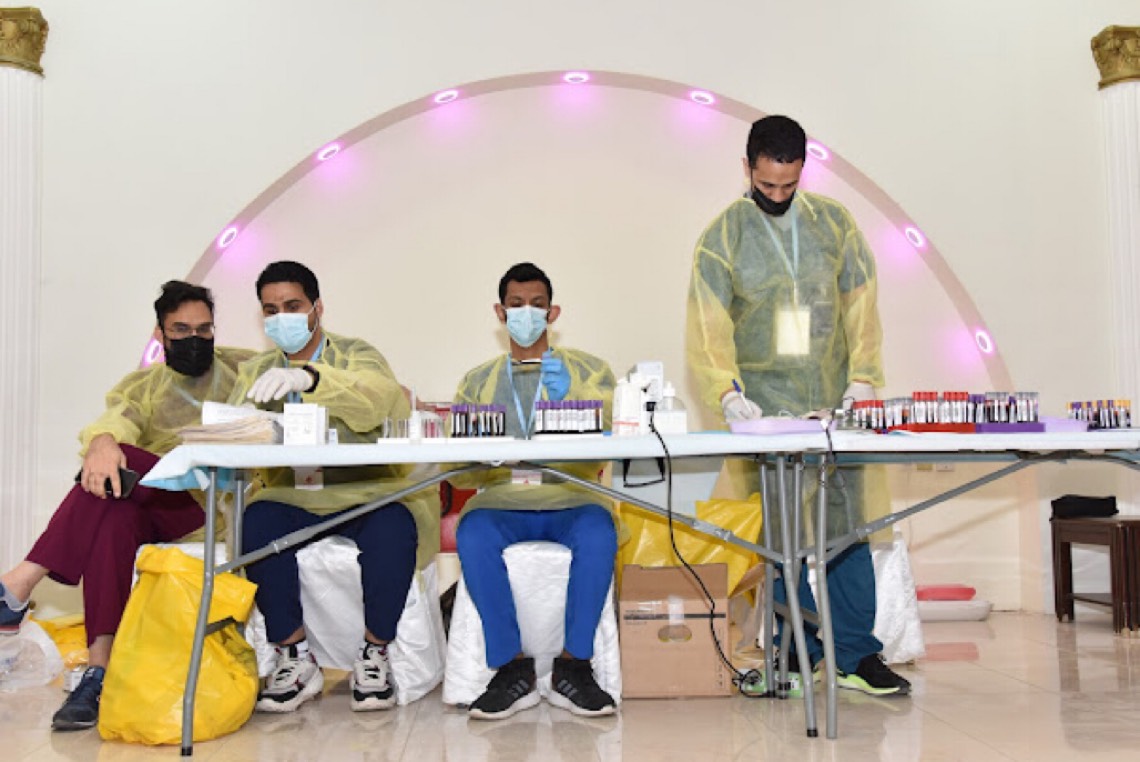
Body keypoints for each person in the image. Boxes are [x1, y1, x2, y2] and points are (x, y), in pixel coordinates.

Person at [686, 115, 910, 696]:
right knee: (781, 540)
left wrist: (863, 379)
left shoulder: (834, 223)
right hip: (765, 415)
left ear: (802, 170)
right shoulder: (722, 237)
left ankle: (856, 655)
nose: (778, 194)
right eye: (767, 184)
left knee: (847, 533)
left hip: (835, 408)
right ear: (747, 168)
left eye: (789, 184)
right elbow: (708, 327)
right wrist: (727, 392)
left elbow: (862, 306)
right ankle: (795, 650)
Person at [0, 281, 253, 730]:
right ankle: (99, 673)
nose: (194, 339)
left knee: (124, 461)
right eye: (181, 330)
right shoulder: (142, 387)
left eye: (204, 329)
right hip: (158, 508)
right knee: (113, 515)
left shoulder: (245, 369)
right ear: (160, 334)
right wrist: (102, 441)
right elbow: (115, 420)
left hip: (212, 505)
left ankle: (18, 584)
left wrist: (107, 447)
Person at [232, 260, 438, 714]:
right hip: (292, 494)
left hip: (365, 491)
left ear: (317, 307)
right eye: (271, 310)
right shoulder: (257, 371)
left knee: (393, 529)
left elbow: (378, 400)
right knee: (256, 523)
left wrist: (310, 378)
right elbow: (231, 426)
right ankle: (294, 656)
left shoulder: (356, 354)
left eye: (292, 306)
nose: (282, 318)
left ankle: (374, 652)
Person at [453, 262, 618, 720]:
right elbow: (456, 471)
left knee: (599, 531)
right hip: (502, 500)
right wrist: (481, 457)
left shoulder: (589, 370)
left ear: (553, 312)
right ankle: (511, 669)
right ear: (500, 312)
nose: (526, 313)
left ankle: (575, 666)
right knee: (473, 533)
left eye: (537, 304)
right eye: (516, 304)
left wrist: (574, 394)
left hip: (571, 496)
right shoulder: (477, 381)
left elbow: (616, 427)